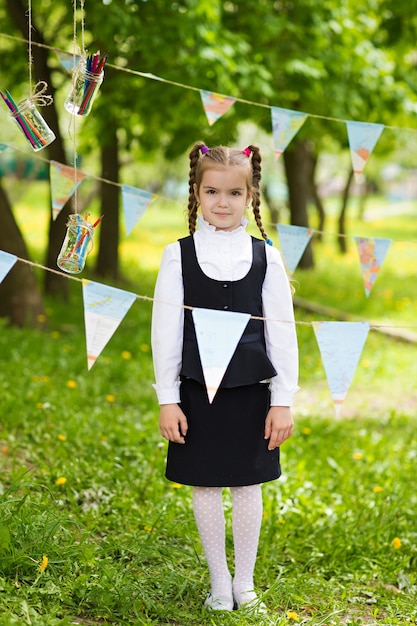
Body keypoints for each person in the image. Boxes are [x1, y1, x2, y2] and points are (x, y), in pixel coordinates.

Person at [151, 141, 299, 613]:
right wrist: (167, 398)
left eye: (234, 193)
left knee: (247, 485)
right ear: (195, 193)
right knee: (207, 484)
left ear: (251, 196)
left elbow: (283, 333)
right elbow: (165, 334)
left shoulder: (266, 257)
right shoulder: (178, 256)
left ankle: (245, 582)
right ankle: (218, 582)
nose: (222, 202)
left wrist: (283, 400)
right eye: (212, 191)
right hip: (196, 391)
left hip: (252, 393)